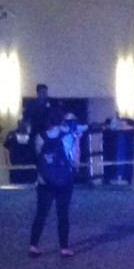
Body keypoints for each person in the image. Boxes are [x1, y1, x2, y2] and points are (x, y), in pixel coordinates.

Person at [29, 108, 81, 258]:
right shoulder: (68, 137)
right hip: (64, 181)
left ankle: (33, 245)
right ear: (62, 121)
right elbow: (75, 161)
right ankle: (64, 248)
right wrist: (77, 140)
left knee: (41, 213)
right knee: (62, 214)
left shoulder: (40, 137)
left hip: (44, 180)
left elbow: (38, 157)